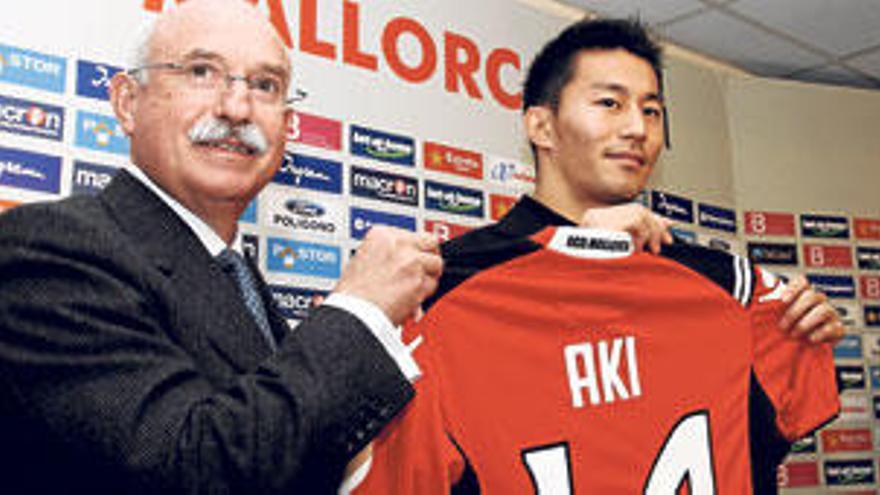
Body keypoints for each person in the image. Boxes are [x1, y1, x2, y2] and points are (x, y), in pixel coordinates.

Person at [344, 18, 842, 495]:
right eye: (610, 103)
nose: (637, 128)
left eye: (652, 110)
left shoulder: (725, 284)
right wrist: (575, 258)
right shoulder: (443, 286)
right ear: (541, 126)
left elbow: (777, 419)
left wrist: (800, 327)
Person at [0, 1, 445, 493]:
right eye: (201, 72)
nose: (237, 108)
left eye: (265, 85)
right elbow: (189, 467)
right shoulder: (49, 247)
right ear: (127, 103)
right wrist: (361, 312)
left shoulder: (235, 274)